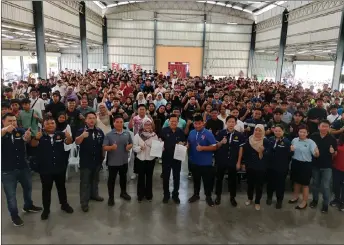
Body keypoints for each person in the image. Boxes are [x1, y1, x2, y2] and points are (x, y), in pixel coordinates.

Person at [1, 113, 42, 226]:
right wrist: (4, 131)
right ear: (3, 122)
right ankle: (14, 216)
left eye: (14, 121)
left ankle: (28, 206)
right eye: (9, 121)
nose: (13, 123)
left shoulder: (19, 130)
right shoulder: (2, 133)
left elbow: (26, 140)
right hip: (7, 170)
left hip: (23, 167)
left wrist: (27, 137)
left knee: (28, 188)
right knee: (11, 196)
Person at [31, 117, 74, 220]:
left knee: (61, 188)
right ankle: (46, 210)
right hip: (45, 169)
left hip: (59, 167)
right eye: (48, 124)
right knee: (46, 190)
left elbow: (68, 142)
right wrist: (36, 138)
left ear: (55, 124)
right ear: (44, 125)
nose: (50, 125)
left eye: (52, 123)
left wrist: (68, 137)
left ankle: (64, 205)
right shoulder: (40, 135)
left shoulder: (60, 134)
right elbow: (33, 144)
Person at [75, 112, 105, 212]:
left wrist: (103, 157)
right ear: (86, 120)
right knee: (85, 182)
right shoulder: (81, 130)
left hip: (97, 160)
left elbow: (102, 145)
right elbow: (76, 142)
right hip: (86, 161)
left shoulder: (99, 131)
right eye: (89, 118)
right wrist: (82, 136)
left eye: (93, 118)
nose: (92, 120)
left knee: (95, 180)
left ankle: (94, 195)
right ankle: (84, 202)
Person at [187, 115, 217, 207]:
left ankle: (208, 197)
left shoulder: (208, 133)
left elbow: (215, 147)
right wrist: (187, 145)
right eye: (195, 124)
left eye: (199, 123)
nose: (197, 126)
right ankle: (196, 195)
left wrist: (203, 148)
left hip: (206, 163)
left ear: (203, 123)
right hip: (194, 161)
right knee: (196, 180)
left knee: (207, 181)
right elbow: (189, 142)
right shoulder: (191, 132)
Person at [103, 115, 133, 206]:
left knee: (123, 178)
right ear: (114, 123)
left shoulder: (127, 133)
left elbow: (131, 143)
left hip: (124, 161)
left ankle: (123, 192)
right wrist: (111, 147)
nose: (119, 124)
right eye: (117, 122)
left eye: (121, 122)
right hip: (113, 162)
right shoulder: (109, 135)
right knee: (111, 180)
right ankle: (111, 197)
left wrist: (129, 146)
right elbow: (104, 147)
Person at [214, 116, 244, 206]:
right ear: (226, 123)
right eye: (229, 122)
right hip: (221, 160)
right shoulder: (220, 133)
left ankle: (232, 197)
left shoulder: (239, 135)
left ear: (235, 123)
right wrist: (221, 143)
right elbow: (216, 146)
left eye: (233, 122)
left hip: (233, 161)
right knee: (219, 179)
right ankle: (218, 196)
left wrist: (239, 162)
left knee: (232, 180)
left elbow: (240, 150)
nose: (231, 124)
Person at [309, 120, 337, 213]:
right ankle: (315, 200)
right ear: (319, 127)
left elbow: (335, 153)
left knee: (325, 186)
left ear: (329, 128)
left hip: (327, 166)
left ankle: (325, 204)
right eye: (322, 126)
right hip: (315, 165)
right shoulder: (313, 136)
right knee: (315, 184)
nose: (324, 128)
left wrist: (333, 152)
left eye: (326, 126)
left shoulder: (332, 139)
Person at [289, 125, 319, 210]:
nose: (302, 133)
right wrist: (291, 150)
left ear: (307, 133)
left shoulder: (310, 142)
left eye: (304, 132)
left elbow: (316, 154)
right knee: (296, 182)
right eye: (300, 132)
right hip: (295, 163)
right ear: (298, 132)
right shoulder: (294, 140)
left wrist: (317, 153)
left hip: (306, 165)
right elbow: (291, 151)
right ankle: (295, 197)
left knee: (305, 184)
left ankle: (304, 201)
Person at [242, 124, 270, 211]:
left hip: (260, 166)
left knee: (259, 185)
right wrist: (244, 163)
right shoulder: (249, 139)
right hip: (250, 165)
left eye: (260, 130)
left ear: (263, 132)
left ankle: (257, 202)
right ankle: (250, 198)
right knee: (250, 184)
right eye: (256, 130)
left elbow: (268, 155)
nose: (257, 132)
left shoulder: (265, 141)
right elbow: (245, 153)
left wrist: (262, 152)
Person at [160, 114, 186, 204]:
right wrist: (160, 144)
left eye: (175, 121)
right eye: (172, 121)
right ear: (168, 122)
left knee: (176, 177)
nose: (174, 123)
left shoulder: (180, 131)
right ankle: (166, 195)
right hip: (166, 158)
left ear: (178, 122)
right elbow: (160, 140)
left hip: (177, 158)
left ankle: (175, 195)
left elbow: (184, 142)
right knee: (166, 177)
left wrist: (183, 144)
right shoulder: (164, 131)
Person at [132, 118, 158, 202]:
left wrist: (160, 147)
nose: (148, 126)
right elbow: (134, 148)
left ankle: (149, 195)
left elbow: (157, 148)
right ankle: (140, 195)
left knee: (149, 177)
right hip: (141, 159)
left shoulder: (154, 135)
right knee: (141, 178)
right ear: (143, 125)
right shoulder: (138, 135)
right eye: (146, 125)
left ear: (151, 126)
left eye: (149, 124)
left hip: (151, 159)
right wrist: (140, 148)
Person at [266, 125, 291, 209]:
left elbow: (289, 155)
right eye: (276, 131)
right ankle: (269, 197)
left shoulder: (287, 142)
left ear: (283, 132)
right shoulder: (270, 139)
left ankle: (279, 200)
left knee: (280, 185)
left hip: (281, 167)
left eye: (279, 131)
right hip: (270, 166)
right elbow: (267, 152)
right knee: (270, 184)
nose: (277, 132)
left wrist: (292, 151)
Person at [331, 132, 344, 212]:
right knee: (336, 185)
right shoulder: (337, 142)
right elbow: (333, 154)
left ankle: (343, 202)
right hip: (336, 168)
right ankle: (337, 199)